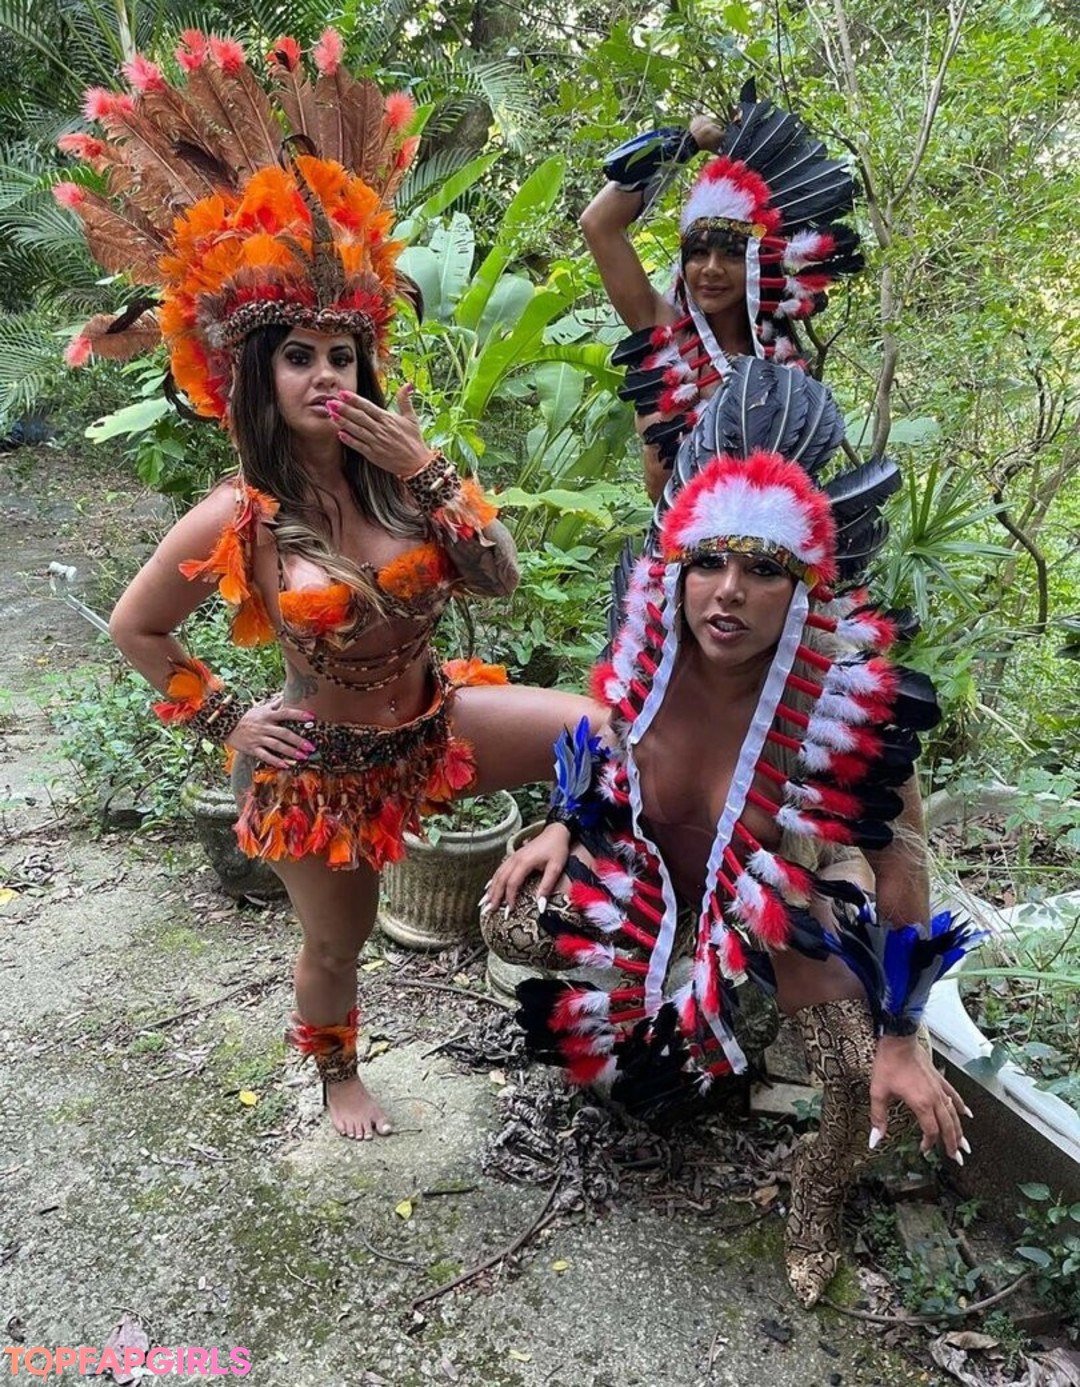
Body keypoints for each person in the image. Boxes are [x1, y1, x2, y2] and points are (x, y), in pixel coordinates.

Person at [55, 29, 595, 1141]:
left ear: (364, 365)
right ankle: (339, 1075)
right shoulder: (237, 513)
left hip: (435, 723)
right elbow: (137, 627)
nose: (323, 374)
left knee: (605, 735)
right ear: (260, 375)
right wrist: (227, 719)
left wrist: (430, 473)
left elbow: (497, 579)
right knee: (335, 945)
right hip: (324, 772)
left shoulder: (405, 475)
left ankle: (600, 910)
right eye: (297, 355)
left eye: (339, 355)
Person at [483, 359, 983, 1307]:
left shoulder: (846, 704)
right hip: (656, 879)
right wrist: (560, 822)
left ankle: (816, 1204)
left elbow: (904, 868)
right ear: (678, 570)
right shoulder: (648, 651)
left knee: (853, 1066)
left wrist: (904, 1031)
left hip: (780, 901)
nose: (728, 592)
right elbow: (602, 741)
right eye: (709, 562)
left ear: (803, 586)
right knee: (508, 913)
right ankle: (654, 1013)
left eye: (763, 569)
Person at [579, 84, 864, 501]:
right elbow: (598, 225)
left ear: (757, 265)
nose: (711, 269)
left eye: (731, 254)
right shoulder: (664, 329)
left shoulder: (783, 366)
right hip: (673, 541)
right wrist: (685, 145)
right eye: (698, 253)